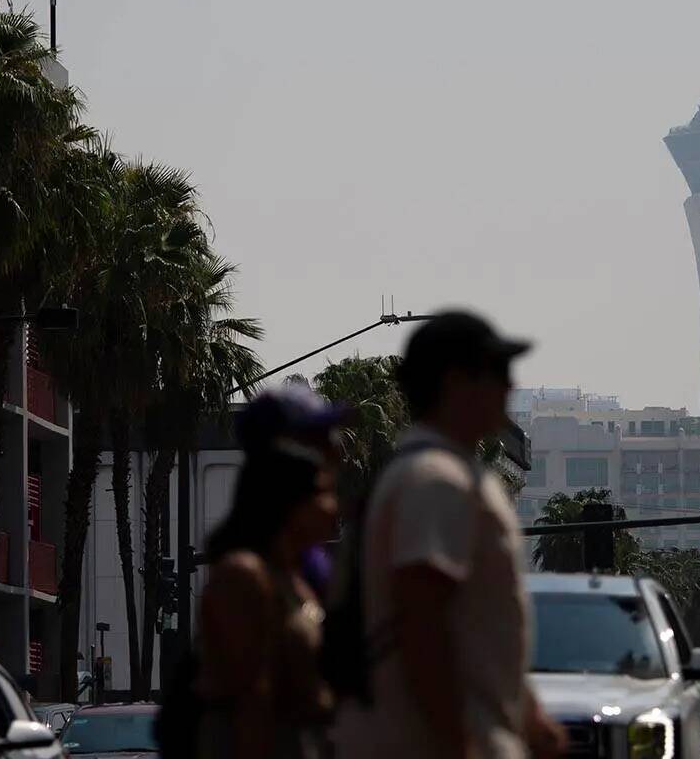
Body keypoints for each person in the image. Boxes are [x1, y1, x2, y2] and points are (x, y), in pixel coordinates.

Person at [334, 311, 567, 759]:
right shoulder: (435, 480)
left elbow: (476, 631)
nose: (509, 386)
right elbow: (422, 621)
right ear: (456, 382)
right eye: (497, 372)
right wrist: (456, 744)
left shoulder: (451, 474)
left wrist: (530, 719)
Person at [196, 388, 346, 759]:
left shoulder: (306, 572)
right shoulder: (244, 577)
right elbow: (252, 706)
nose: (333, 450)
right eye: (320, 492)